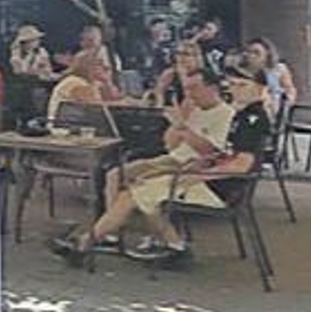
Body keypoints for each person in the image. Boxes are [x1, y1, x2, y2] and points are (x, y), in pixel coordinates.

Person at [56, 67, 269, 264]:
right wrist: (200, 160)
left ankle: (86, 244)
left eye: (242, 85)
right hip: (205, 176)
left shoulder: (252, 120)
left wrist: (198, 172)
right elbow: (220, 154)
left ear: (260, 88)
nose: (235, 90)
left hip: (219, 189)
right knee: (131, 187)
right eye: (233, 84)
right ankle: (172, 246)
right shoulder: (243, 117)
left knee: (132, 194)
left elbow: (241, 166)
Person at [102, 68, 234, 211]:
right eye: (187, 89)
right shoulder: (195, 110)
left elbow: (209, 151)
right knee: (114, 175)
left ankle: (119, 222)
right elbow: (170, 145)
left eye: (194, 88)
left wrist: (182, 127)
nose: (189, 94)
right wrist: (176, 125)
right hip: (172, 158)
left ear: (213, 88)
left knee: (140, 183)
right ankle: (113, 221)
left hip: (191, 166)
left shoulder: (226, 114)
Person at [46, 49, 123, 122]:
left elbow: (113, 97)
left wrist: (107, 81)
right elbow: (97, 108)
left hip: (81, 125)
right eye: (99, 64)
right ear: (86, 66)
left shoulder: (90, 83)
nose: (105, 67)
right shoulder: (74, 82)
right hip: (67, 129)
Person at [243, 37, 298, 115]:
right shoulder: (243, 71)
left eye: (256, 52)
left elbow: (289, 88)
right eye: (249, 52)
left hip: (274, 107)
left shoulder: (279, 68)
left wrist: (288, 101)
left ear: (267, 53)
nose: (252, 55)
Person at [140, 17, 174, 90]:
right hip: (150, 82)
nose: (162, 31)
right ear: (151, 29)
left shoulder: (169, 46)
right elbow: (147, 64)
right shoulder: (144, 46)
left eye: (164, 28)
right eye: (159, 28)